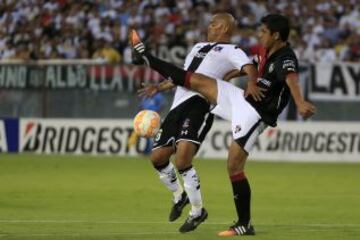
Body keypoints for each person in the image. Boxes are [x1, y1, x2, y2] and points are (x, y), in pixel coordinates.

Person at [130, 13, 316, 236]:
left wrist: (300, 101)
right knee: (200, 81)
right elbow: (249, 66)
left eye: (263, 32)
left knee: (233, 166)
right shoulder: (266, 52)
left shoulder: (286, 56)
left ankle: (243, 224)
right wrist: (229, 78)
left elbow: (290, 78)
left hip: (255, 112)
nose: (259, 35)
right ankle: (148, 59)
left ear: (276, 35)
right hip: (242, 100)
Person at [135, 13, 263, 233]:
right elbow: (182, 76)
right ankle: (179, 196)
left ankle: (197, 211)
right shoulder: (197, 47)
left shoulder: (232, 50)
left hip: (200, 104)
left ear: (224, 28)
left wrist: (251, 82)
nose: (209, 25)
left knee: (183, 157)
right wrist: (159, 87)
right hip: (178, 105)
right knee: (158, 158)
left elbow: (248, 67)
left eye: (214, 23)